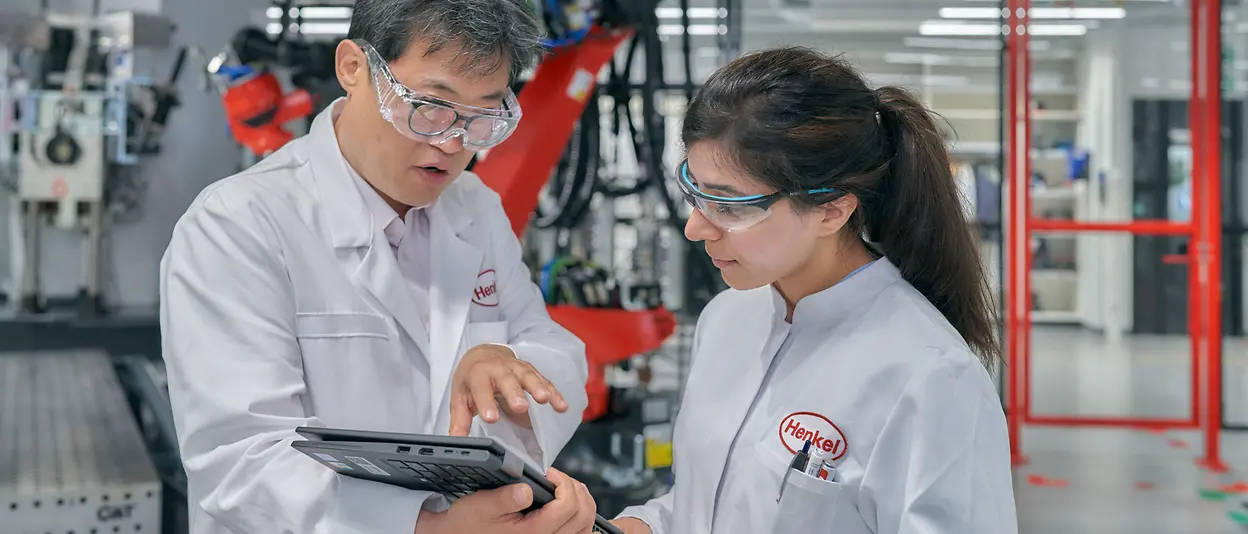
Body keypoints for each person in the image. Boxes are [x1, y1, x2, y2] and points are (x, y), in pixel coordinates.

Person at [159, 1, 602, 532]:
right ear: (353, 68)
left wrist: (503, 367)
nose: (451, 142)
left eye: (482, 115)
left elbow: (553, 352)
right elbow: (239, 459)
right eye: (431, 105)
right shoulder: (239, 224)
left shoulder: (473, 207)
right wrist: (423, 528)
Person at [610, 47, 1018, 534]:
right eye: (696, 191)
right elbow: (707, 503)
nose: (695, 228)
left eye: (731, 206)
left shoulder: (929, 376)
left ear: (832, 211)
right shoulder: (726, 318)